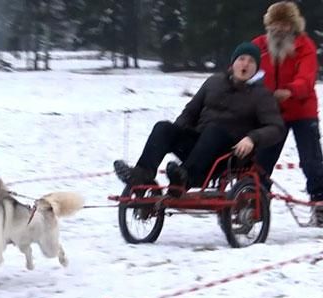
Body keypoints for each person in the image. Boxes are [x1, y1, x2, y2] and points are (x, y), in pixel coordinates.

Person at [114, 42, 285, 196]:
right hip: (198, 144)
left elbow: (276, 128)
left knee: (214, 130)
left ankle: (185, 177)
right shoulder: (214, 82)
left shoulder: (262, 95)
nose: (245, 64)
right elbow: (190, 112)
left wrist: (252, 139)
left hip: (229, 153)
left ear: (256, 68)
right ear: (233, 63)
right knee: (163, 127)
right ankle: (141, 175)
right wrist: (176, 132)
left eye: (251, 62)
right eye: (241, 59)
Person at [253, 1, 323, 225]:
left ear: (293, 25)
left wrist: (291, 90)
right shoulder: (259, 46)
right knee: (261, 159)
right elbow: (242, 66)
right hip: (271, 113)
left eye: (284, 23)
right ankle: (257, 200)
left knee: (311, 160)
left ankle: (319, 202)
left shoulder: (305, 46)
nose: (279, 28)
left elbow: (307, 77)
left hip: (302, 109)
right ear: (269, 24)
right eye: (275, 23)